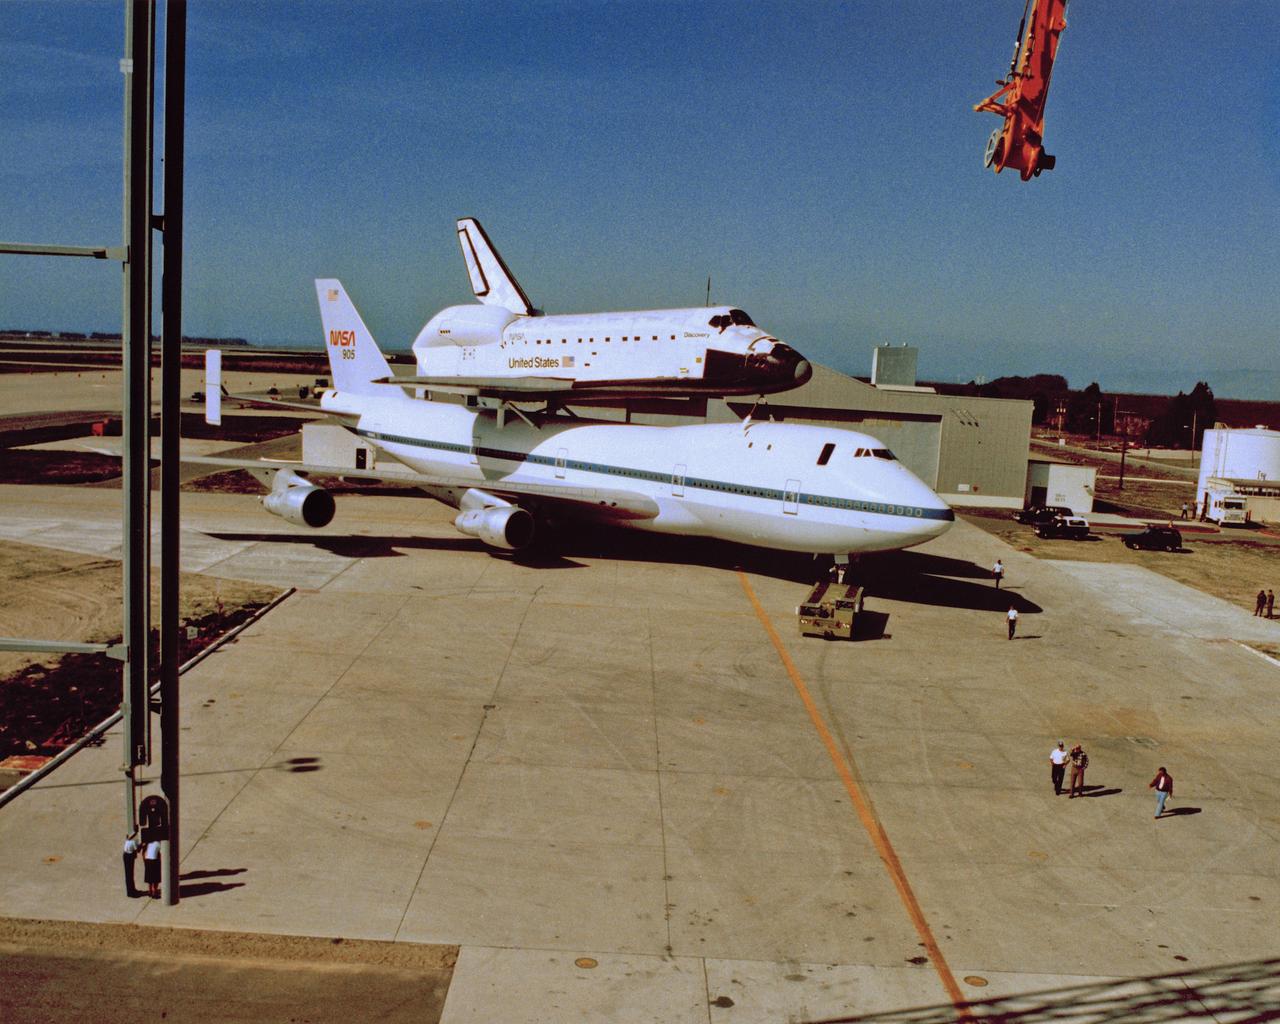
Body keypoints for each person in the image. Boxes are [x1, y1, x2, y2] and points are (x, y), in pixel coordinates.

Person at [122, 833, 140, 899]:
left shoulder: (128, 840)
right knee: (130, 874)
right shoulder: (133, 842)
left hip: (126, 855)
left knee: (128, 875)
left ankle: (132, 890)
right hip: (129, 857)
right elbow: (137, 850)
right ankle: (131, 892)